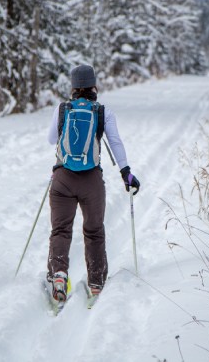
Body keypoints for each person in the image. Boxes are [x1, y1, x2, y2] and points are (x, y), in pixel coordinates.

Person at [46, 64, 140, 303]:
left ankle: (58, 275)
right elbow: (116, 142)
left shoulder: (62, 109)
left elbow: (51, 140)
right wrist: (126, 172)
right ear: (94, 85)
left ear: (73, 86)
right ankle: (96, 282)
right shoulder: (102, 112)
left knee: (60, 230)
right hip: (91, 181)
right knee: (94, 231)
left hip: (62, 179)